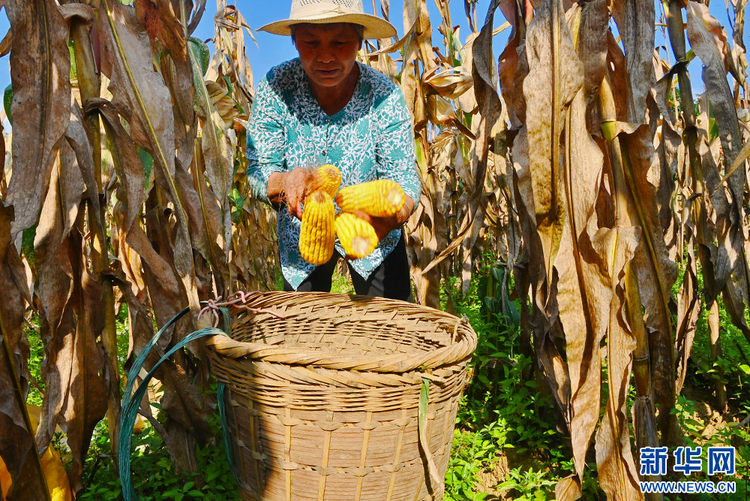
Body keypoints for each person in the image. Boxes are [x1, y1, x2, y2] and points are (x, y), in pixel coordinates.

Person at [246, 0, 421, 301]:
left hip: (373, 239)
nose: (325, 57)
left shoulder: (384, 96)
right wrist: (285, 183)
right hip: (303, 237)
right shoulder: (276, 88)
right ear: (295, 41)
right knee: (305, 338)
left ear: (359, 41)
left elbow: (404, 180)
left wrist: (393, 215)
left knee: (387, 337)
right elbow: (260, 170)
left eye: (340, 43)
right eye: (310, 43)